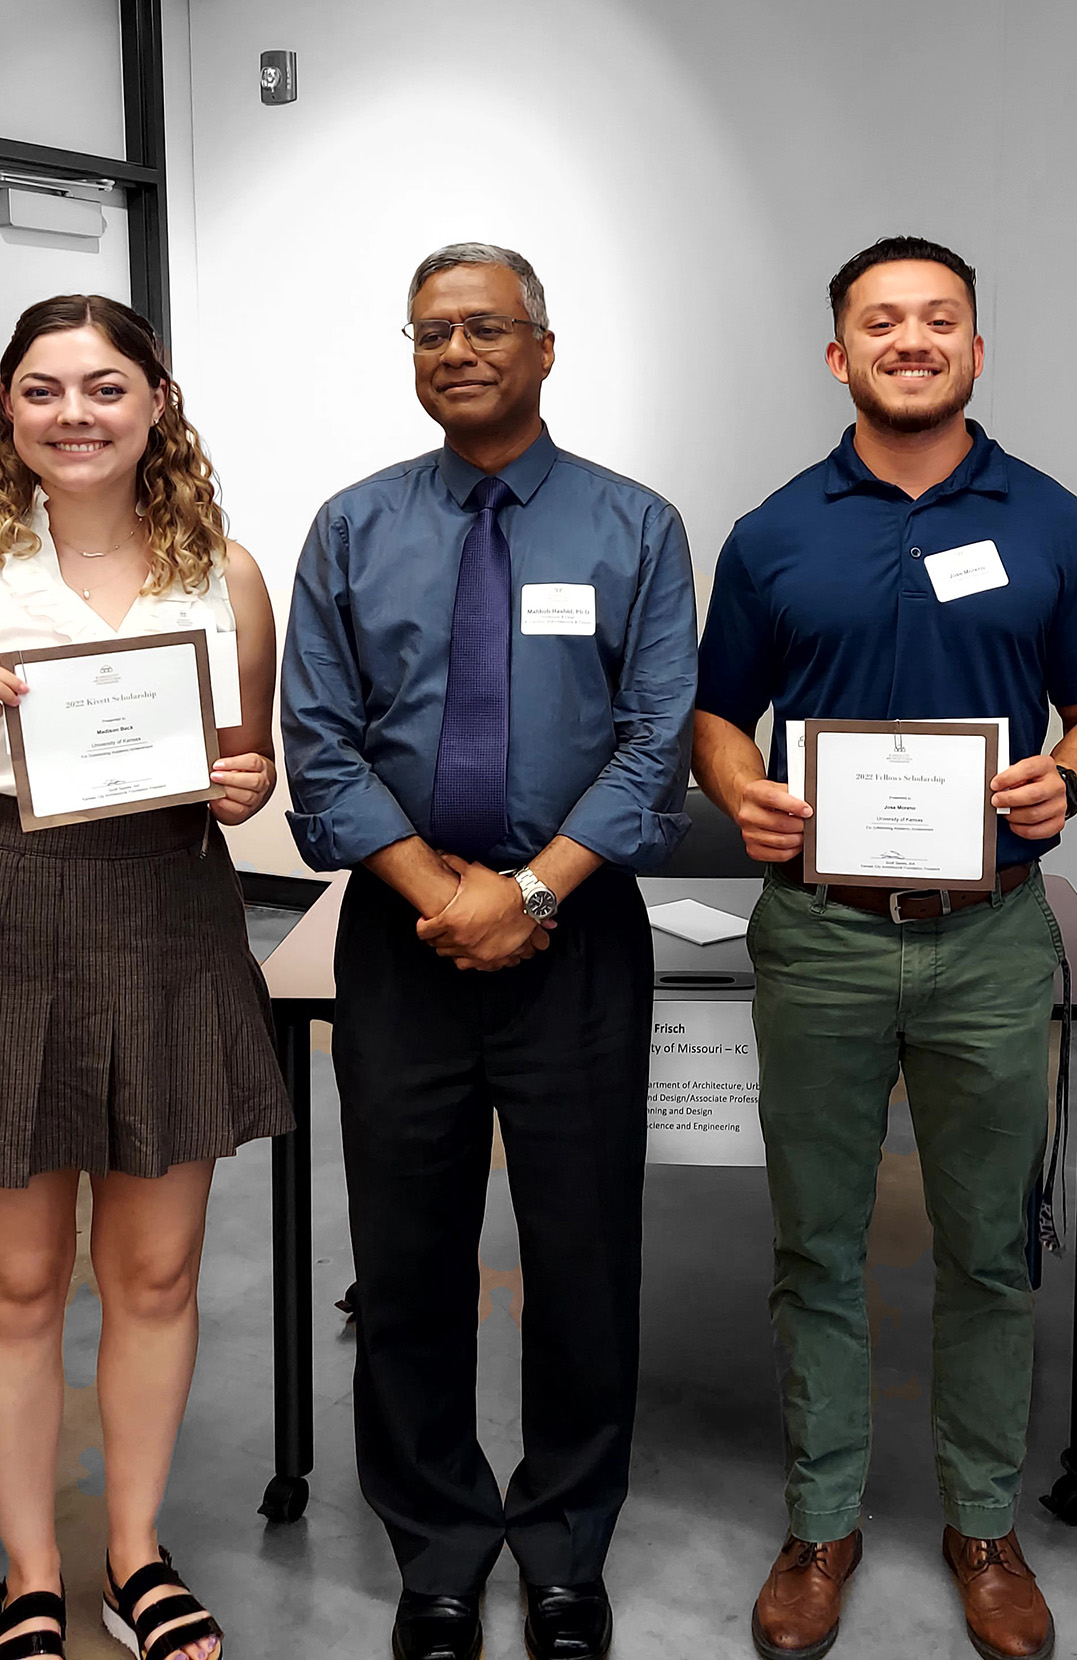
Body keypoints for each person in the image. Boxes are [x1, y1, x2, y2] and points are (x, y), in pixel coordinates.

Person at [693, 234, 1077, 1660]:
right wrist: (737, 790)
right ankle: (822, 1523)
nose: (909, 340)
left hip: (990, 940)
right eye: (879, 323)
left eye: (936, 320)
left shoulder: (1055, 524)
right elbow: (718, 713)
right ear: (838, 355)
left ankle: (982, 1524)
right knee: (814, 1245)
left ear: (976, 348)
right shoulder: (773, 532)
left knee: (991, 1251)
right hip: (820, 938)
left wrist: (1068, 780)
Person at [0, 294, 288, 1660]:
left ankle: (136, 1557)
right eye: (42, 390)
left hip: (167, 921)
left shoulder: (226, 573)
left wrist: (246, 781)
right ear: (6, 409)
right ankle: (29, 1575)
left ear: (157, 400)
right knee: (20, 1287)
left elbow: (240, 770)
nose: (75, 415)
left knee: (155, 1278)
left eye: (105, 387)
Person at [281, 242, 696, 1660]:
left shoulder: (634, 528)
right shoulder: (350, 528)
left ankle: (568, 1544)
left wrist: (530, 890)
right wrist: (440, 893)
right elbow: (320, 750)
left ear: (544, 346)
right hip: (402, 941)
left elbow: (656, 748)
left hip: (575, 937)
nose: (456, 351)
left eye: (485, 327)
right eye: (430, 331)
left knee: (581, 1253)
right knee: (407, 1257)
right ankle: (442, 1546)